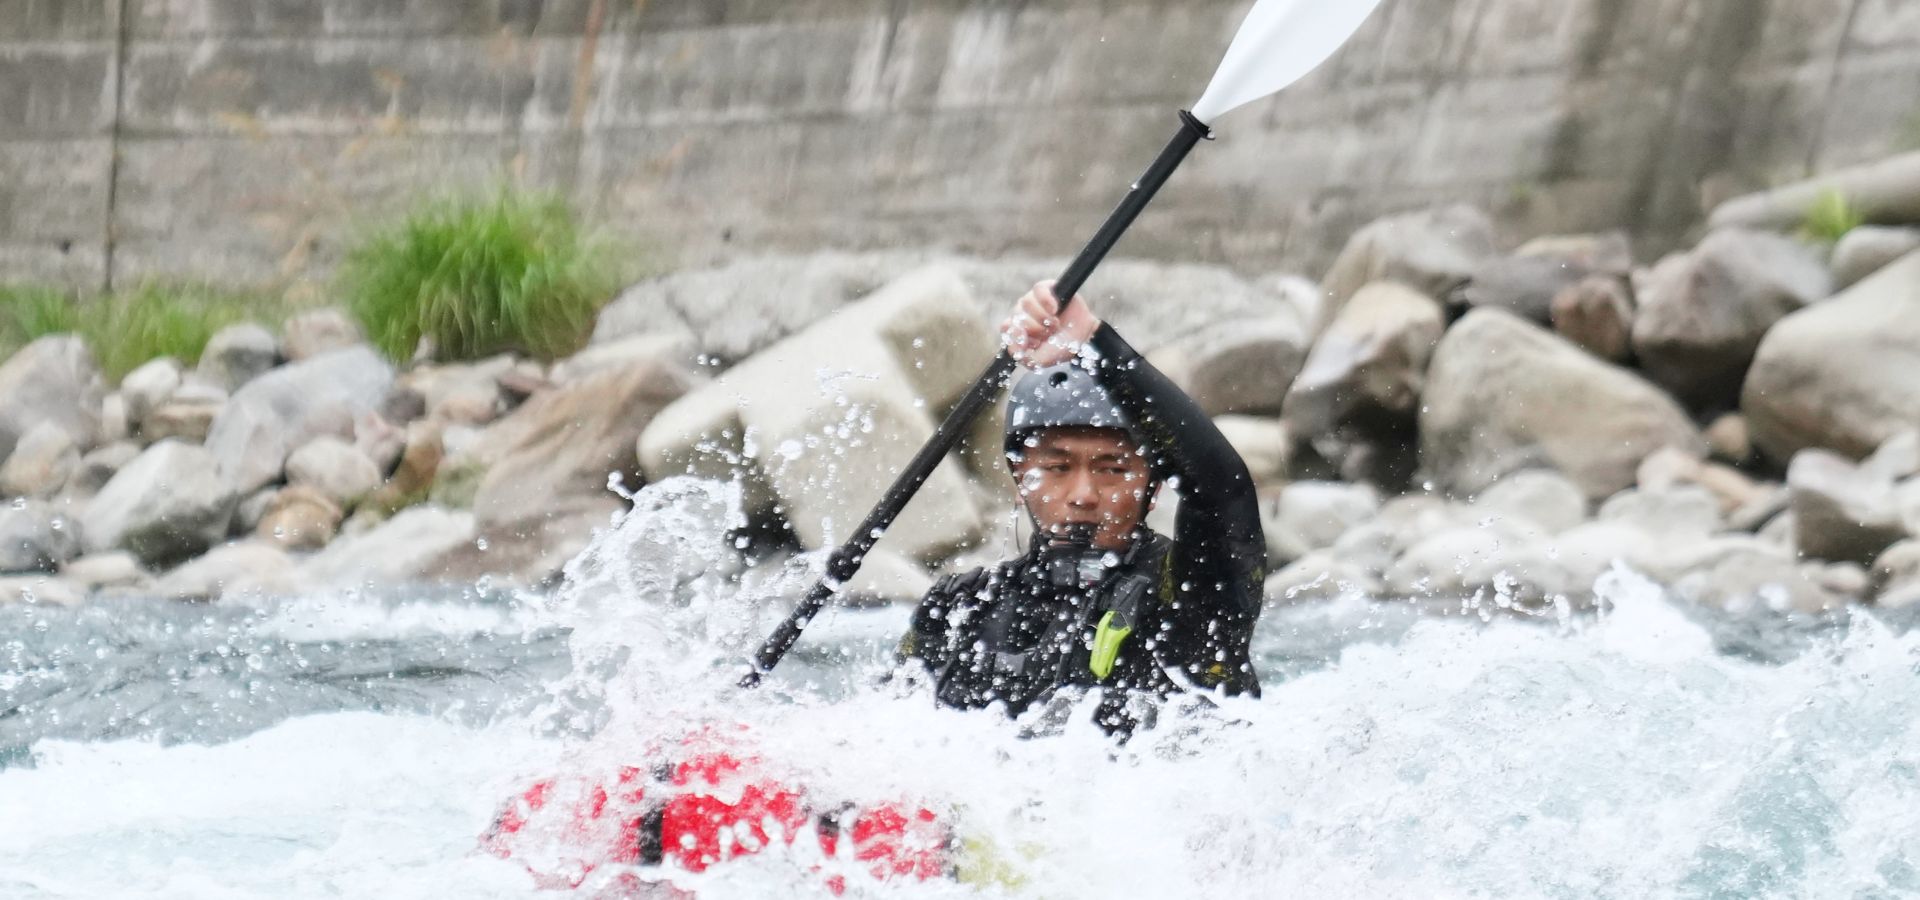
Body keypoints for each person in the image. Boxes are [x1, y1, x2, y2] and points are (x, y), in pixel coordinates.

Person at [895, 281, 1267, 736]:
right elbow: (890, 742)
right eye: (1057, 467)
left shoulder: (1192, 594)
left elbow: (1221, 489)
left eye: (1112, 470)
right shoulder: (960, 608)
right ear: (1019, 479)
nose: (1084, 494)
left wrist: (1093, 339)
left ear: (1153, 490)